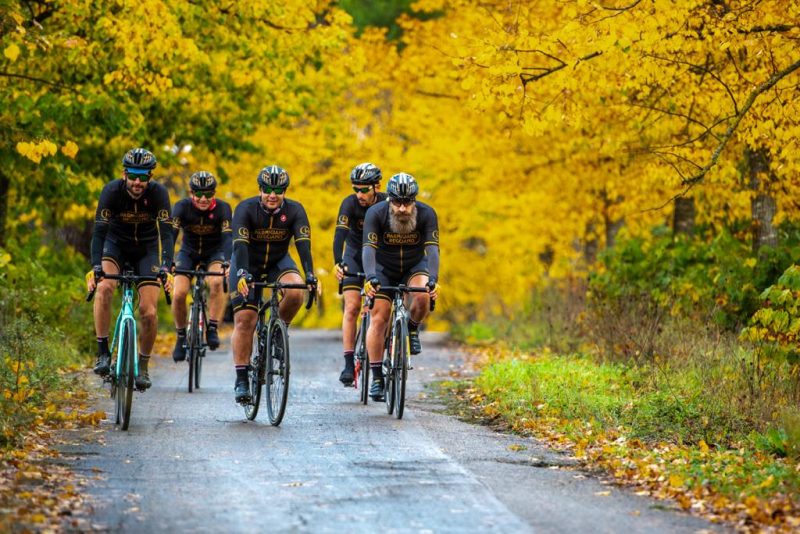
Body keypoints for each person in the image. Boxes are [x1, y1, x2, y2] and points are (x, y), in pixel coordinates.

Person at [84, 148, 174, 390]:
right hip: (115, 245)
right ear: (124, 174)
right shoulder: (111, 191)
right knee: (104, 288)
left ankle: (143, 366)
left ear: (150, 177)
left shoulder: (159, 194)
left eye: (143, 177)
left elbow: (166, 233)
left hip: (146, 249)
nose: (137, 182)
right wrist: (95, 266)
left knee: (149, 312)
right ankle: (102, 352)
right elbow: (99, 232)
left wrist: (167, 265)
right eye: (133, 175)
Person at [229, 165, 318, 403]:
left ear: (284, 191)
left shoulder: (295, 210)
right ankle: (241, 380)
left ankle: (279, 330)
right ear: (260, 189)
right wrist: (243, 274)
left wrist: (310, 275)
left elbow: (303, 245)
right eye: (268, 189)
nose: (272, 194)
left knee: (296, 290)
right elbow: (239, 245)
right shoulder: (245, 209)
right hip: (247, 263)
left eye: (278, 190)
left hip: (279, 261)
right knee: (246, 320)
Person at [362, 172, 440, 401]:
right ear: (389, 200)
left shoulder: (427, 214)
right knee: (379, 318)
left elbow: (433, 250)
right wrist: (370, 277)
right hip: (383, 268)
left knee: (423, 294)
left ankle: (413, 328)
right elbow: (368, 248)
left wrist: (433, 278)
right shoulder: (375, 213)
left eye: (408, 202)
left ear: (415, 200)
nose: (403, 208)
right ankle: (377, 376)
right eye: (397, 202)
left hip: (414, 266)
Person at [332, 162, 387, 386]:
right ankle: (347, 362)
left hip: (380, 257)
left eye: (364, 189)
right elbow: (339, 235)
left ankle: (385, 348)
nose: (359, 194)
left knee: (381, 310)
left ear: (377, 186)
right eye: (356, 188)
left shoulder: (387, 202)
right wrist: (338, 262)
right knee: (352, 306)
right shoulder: (349, 203)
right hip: (354, 255)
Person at [170, 171, 233, 361]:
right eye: (198, 194)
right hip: (188, 252)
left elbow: (228, 238)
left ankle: (212, 327)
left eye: (208, 194)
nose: (203, 198)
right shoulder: (181, 207)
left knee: (217, 282)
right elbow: (171, 235)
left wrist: (228, 262)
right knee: (179, 292)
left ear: (214, 193)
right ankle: (181, 336)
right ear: (191, 193)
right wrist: (167, 262)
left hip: (214, 252)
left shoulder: (223, 208)